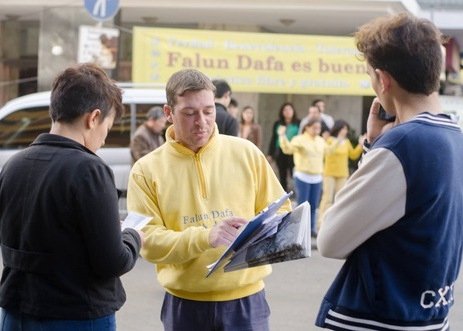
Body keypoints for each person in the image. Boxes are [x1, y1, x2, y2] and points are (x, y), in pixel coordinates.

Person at [316, 13, 463, 330]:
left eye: (370, 75)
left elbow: (330, 240)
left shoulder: (403, 145)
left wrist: (375, 147)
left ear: (383, 81)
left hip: (379, 318)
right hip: (429, 317)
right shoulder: (455, 138)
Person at [127, 68, 291, 330]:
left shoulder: (246, 152)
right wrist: (206, 237)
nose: (201, 121)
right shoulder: (147, 169)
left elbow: (282, 210)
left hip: (247, 300)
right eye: (189, 113)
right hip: (185, 303)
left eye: (208, 111)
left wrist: (255, 232)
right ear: (168, 113)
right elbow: (148, 243)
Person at [0, 63, 145, 331]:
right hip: (75, 314)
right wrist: (132, 236)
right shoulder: (90, 169)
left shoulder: (14, 165)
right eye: (108, 127)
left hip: (14, 311)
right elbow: (112, 261)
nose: (103, 139)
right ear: (93, 118)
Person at [278, 118, 341, 237]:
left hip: (316, 176)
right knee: (302, 204)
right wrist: (282, 136)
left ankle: (311, 229)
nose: (317, 131)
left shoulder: (321, 140)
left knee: (313, 204)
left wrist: (336, 141)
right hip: (303, 176)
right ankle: (299, 229)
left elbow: (328, 151)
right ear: (307, 127)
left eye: (319, 128)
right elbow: (288, 149)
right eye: (314, 128)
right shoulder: (300, 139)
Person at [316, 120, 364, 231]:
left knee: (340, 199)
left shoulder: (346, 142)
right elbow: (328, 152)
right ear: (338, 129)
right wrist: (338, 140)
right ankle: (321, 223)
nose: (345, 131)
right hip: (329, 173)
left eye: (346, 129)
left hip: (342, 174)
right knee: (327, 199)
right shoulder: (329, 140)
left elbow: (353, 155)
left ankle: (336, 223)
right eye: (343, 128)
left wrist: (361, 145)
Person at [267, 102, 300, 192]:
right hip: (280, 151)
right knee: (282, 173)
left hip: (293, 151)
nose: (287, 112)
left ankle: (296, 192)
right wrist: (270, 153)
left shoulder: (298, 123)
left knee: (294, 172)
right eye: (285, 110)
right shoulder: (278, 123)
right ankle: (283, 193)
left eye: (289, 109)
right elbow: (274, 138)